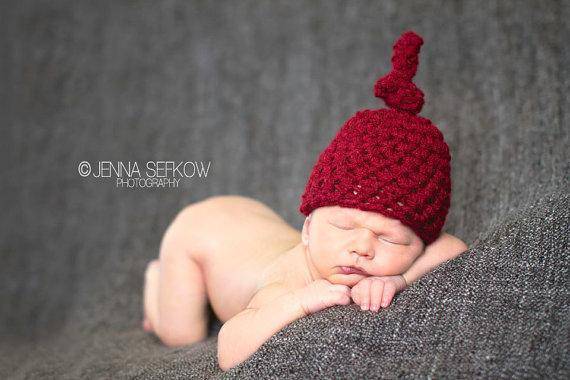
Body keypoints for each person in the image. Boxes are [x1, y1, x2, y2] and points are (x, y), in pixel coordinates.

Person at [141, 30, 469, 371]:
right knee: (182, 334)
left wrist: (398, 280)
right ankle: (156, 281)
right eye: (343, 226)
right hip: (197, 235)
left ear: (419, 244)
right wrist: (299, 302)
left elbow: (453, 246)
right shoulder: (285, 284)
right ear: (308, 228)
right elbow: (229, 351)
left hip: (250, 219)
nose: (362, 247)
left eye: (390, 239)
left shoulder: (388, 250)